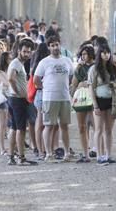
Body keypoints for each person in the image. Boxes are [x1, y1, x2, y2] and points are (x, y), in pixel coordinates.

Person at [34, 34, 74, 162]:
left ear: (60, 45)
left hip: (64, 97)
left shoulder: (67, 61)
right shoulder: (44, 62)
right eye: (52, 45)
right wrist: (45, 88)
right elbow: (36, 79)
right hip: (49, 98)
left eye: (57, 44)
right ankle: (49, 154)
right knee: (49, 125)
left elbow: (71, 76)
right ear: (49, 47)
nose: (55, 47)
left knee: (64, 126)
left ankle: (67, 153)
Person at [89, 38, 116, 166]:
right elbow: (91, 87)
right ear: (99, 54)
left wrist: (115, 85)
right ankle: (99, 155)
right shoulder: (94, 69)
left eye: (108, 53)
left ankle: (108, 154)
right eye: (103, 53)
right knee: (98, 129)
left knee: (109, 129)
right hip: (99, 101)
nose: (106, 55)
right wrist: (95, 105)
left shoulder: (113, 69)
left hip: (111, 101)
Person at [7, 41, 36, 165]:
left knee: (14, 128)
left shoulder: (18, 63)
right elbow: (10, 78)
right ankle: (21, 157)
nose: (26, 54)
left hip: (14, 99)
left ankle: (11, 156)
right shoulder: (17, 63)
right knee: (21, 129)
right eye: (24, 51)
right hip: (17, 100)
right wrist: (18, 92)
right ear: (19, 50)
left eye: (29, 52)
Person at [71, 43, 95, 162]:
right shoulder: (79, 68)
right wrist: (79, 85)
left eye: (86, 54)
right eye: (82, 54)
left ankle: (100, 151)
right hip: (82, 99)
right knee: (82, 127)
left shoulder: (97, 67)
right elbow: (73, 85)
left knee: (97, 127)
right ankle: (86, 154)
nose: (84, 56)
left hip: (95, 99)